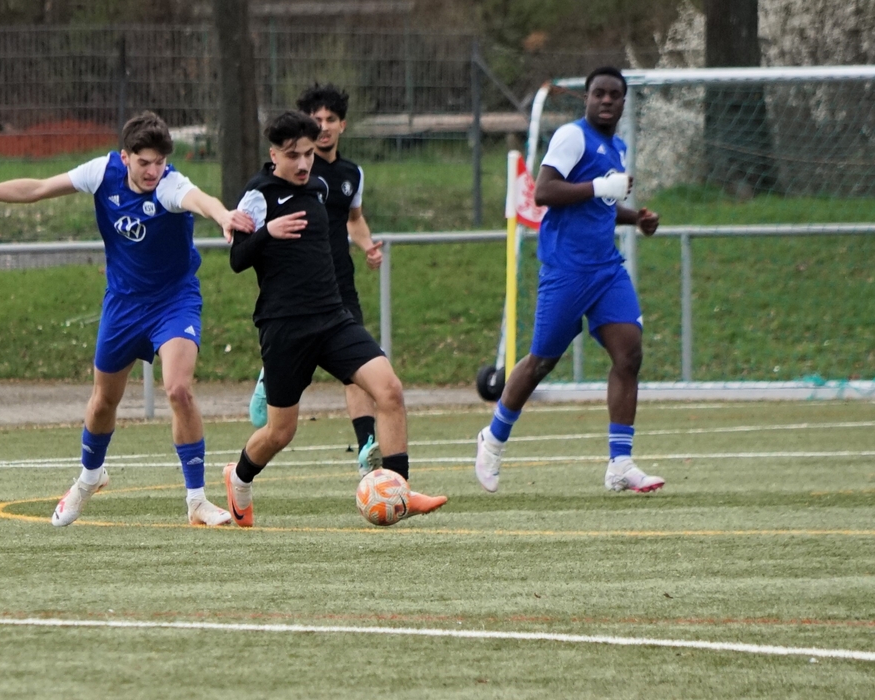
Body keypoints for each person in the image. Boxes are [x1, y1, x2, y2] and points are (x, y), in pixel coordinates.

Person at [0, 111, 255, 527]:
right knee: (104, 400)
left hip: (173, 301)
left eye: (159, 162)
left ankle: (196, 500)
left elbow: (201, 200)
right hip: (123, 305)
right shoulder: (102, 173)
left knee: (179, 390)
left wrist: (224, 215)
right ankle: (89, 478)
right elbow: (38, 188)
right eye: (144, 163)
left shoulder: (170, 185)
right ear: (125, 157)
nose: (153, 171)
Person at [225, 110, 447, 528]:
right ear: (274, 155)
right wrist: (267, 232)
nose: (303, 163)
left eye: (308, 154)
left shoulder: (320, 188)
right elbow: (237, 258)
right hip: (285, 326)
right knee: (280, 432)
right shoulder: (258, 194)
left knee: (390, 390)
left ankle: (400, 489)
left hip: (332, 318)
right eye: (293, 155)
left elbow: (347, 222)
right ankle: (238, 478)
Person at [474, 66, 665, 495]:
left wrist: (635, 218)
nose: (606, 100)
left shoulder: (617, 146)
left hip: (605, 269)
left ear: (624, 101)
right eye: (599, 93)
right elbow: (544, 192)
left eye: (614, 94)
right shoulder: (572, 137)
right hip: (566, 270)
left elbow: (599, 206)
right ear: (587, 98)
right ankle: (493, 439)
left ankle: (620, 463)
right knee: (541, 362)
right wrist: (599, 186)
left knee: (629, 354)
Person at [247, 84, 385, 477]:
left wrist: (367, 246)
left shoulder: (350, 174)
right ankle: (271, 374)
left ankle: (367, 447)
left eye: (330, 119)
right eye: (316, 120)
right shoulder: (293, 173)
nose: (323, 127)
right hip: (296, 295)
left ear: (343, 125)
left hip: (339, 284)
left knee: (358, 368)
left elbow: (354, 220)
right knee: (282, 421)